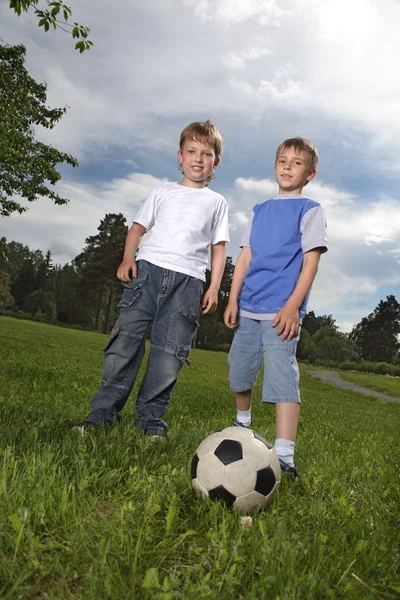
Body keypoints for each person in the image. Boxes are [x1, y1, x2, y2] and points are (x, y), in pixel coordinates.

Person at [77, 120, 229, 437]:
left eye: (206, 153)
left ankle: (150, 423)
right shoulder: (162, 192)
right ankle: (100, 418)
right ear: (179, 155)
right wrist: (127, 257)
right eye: (191, 151)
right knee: (124, 345)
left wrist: (214, 286)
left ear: (216, 161)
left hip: (187, 284)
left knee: (169, 355)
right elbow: (137, 229)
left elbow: (218, 247)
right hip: (147, 273)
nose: (198, 158)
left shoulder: (216, 202)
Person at [224, 137, 328, 478]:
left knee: (283, 379)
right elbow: (244, 257)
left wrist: (292, 308)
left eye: (296, 162)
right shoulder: (259, 210)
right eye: (282, 160)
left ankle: (284, 456)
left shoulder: (309, 210)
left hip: (282, 313)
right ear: (274, 166)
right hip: (249, 307)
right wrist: (232, 298)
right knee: (239, 371)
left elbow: (310, 265)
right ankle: (242, 426)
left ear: (310, 173)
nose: (287, 166)